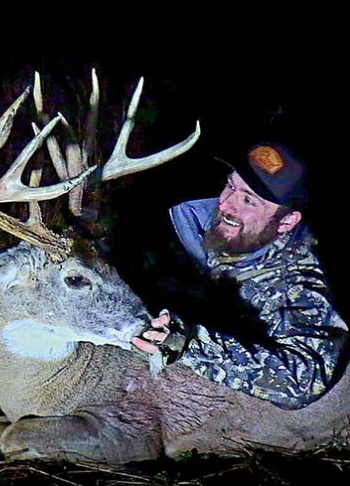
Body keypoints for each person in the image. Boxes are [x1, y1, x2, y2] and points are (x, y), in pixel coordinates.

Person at [132, 142, 348, 409]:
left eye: (248, 200)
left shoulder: (299, 284)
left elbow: (301, 383)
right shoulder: (192, 216)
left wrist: (189, 343)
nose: (225, 204)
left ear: (287, 222)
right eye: (230, 186)